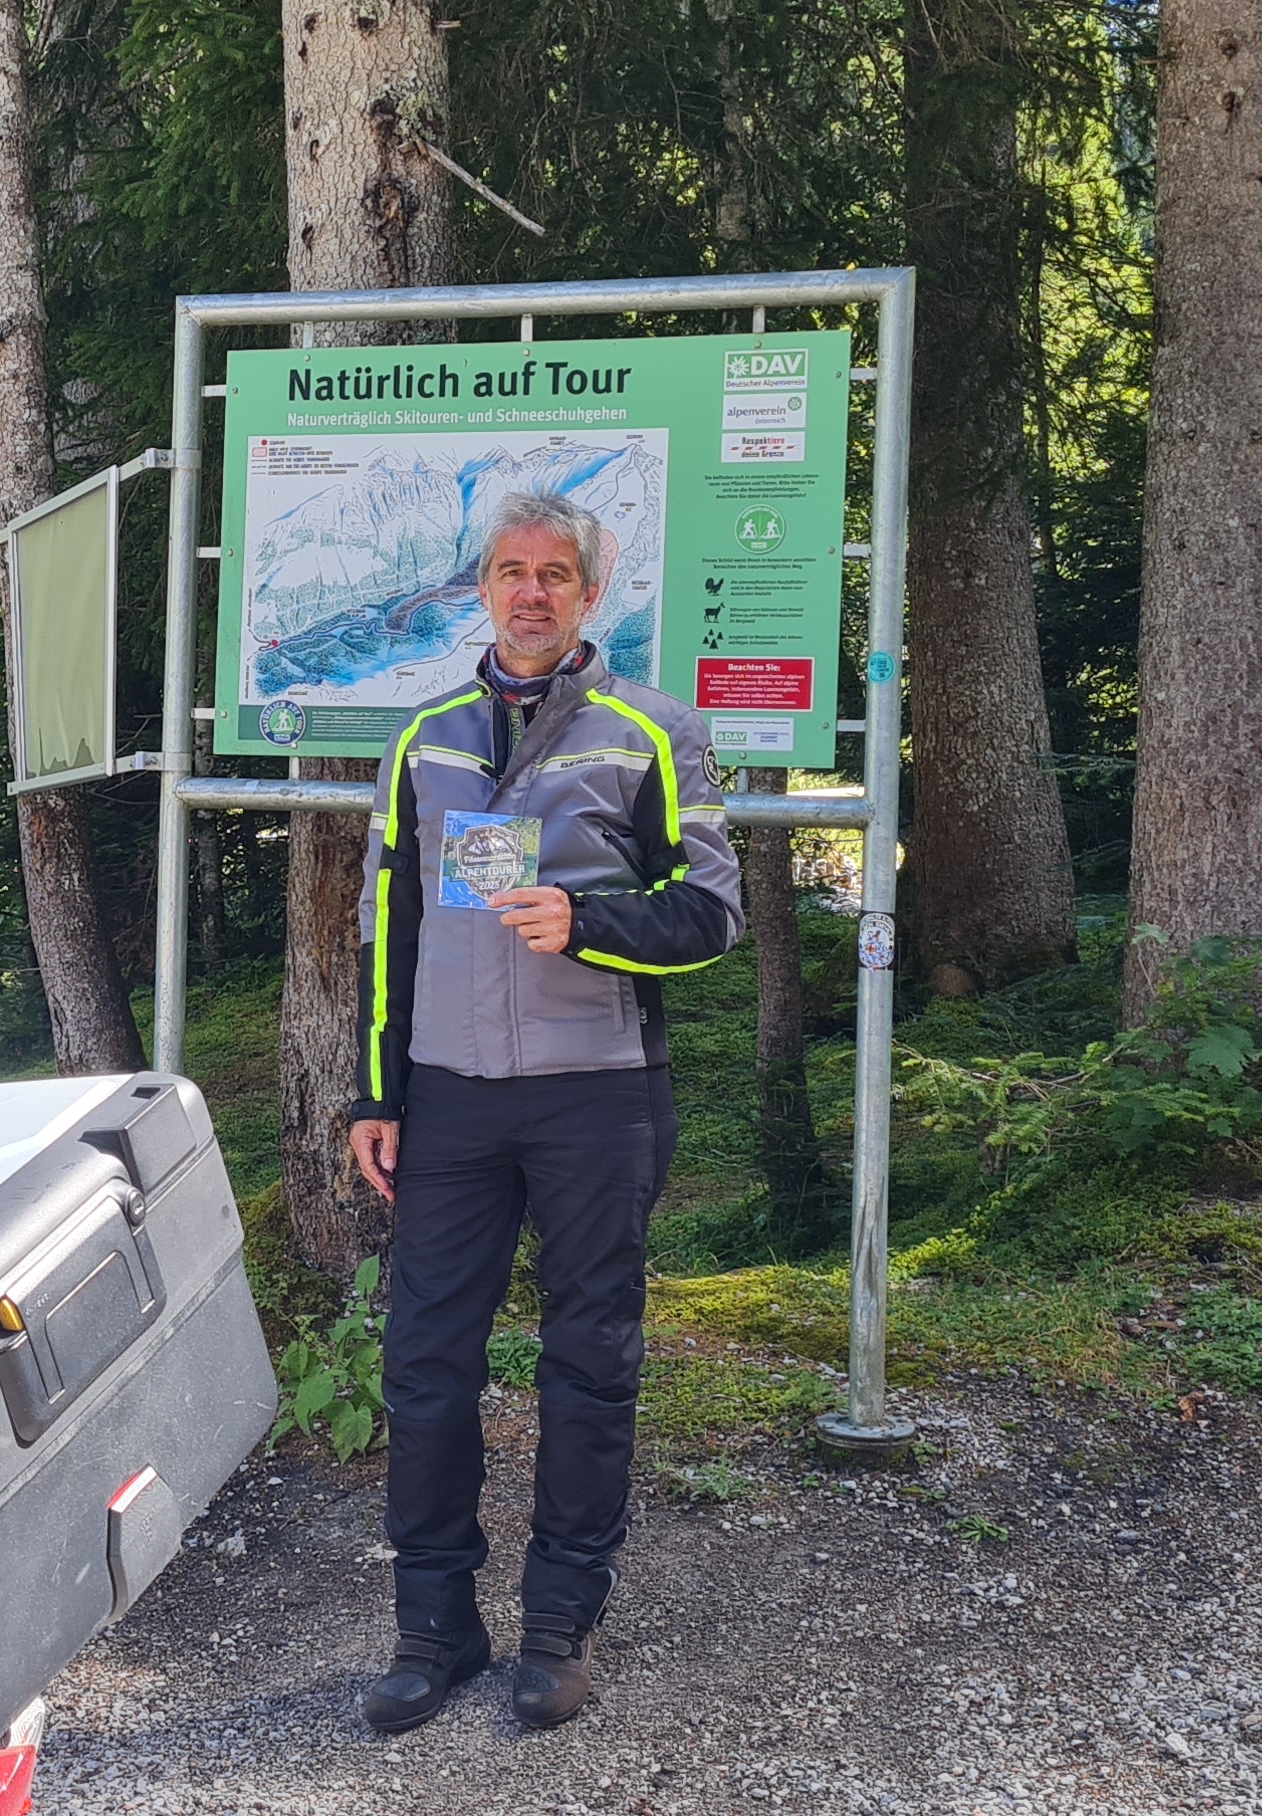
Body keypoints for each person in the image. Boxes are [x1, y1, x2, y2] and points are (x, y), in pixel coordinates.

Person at [344, 488, 743, 1733]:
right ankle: (435, 1627)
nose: (531, 592)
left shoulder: (654, 730)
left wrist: (587, 921)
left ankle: (561, 1624)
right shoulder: (424, 740)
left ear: (589, 592)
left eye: (554, 574)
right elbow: (389, 931)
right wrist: (378, 1090)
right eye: (511, 571)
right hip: (452, 1098)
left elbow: (712, 913)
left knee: (589, 1362)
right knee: (425, 1366)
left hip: (599, 1092)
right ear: (482, 590)